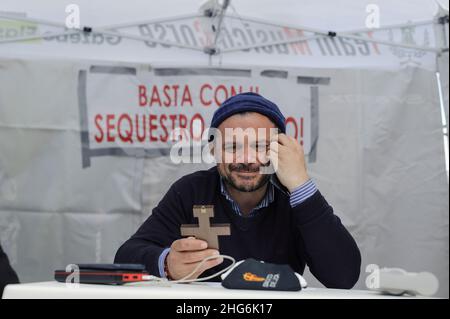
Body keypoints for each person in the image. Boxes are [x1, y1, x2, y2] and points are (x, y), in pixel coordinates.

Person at [115, 92, 361, 288]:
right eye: (232, 146)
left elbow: (343, 276)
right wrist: (167, 264)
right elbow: (126, 257)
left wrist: (301, 184)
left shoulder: (295, 199)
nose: (247, 159)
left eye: (260, 146)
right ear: (213, 151)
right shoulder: (190, 191)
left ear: (281, 150)